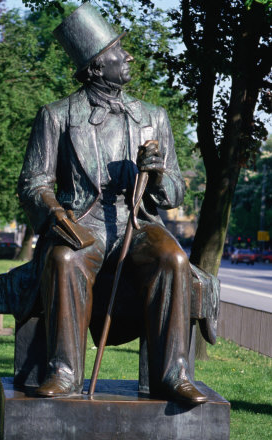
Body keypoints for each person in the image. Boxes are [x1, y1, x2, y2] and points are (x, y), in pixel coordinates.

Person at [13, 3, 208, 405]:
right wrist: (57, 217)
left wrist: (156, 175)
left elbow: (173, 194)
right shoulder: (57, 116)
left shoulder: (154, 117)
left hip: (138, 224)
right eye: (120, 50)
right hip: (82, 221)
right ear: (98, 65)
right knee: (66, 259)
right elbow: (33, 181)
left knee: (173, 259)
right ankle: (64, 372)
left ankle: (174, 375)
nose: (129, 56)